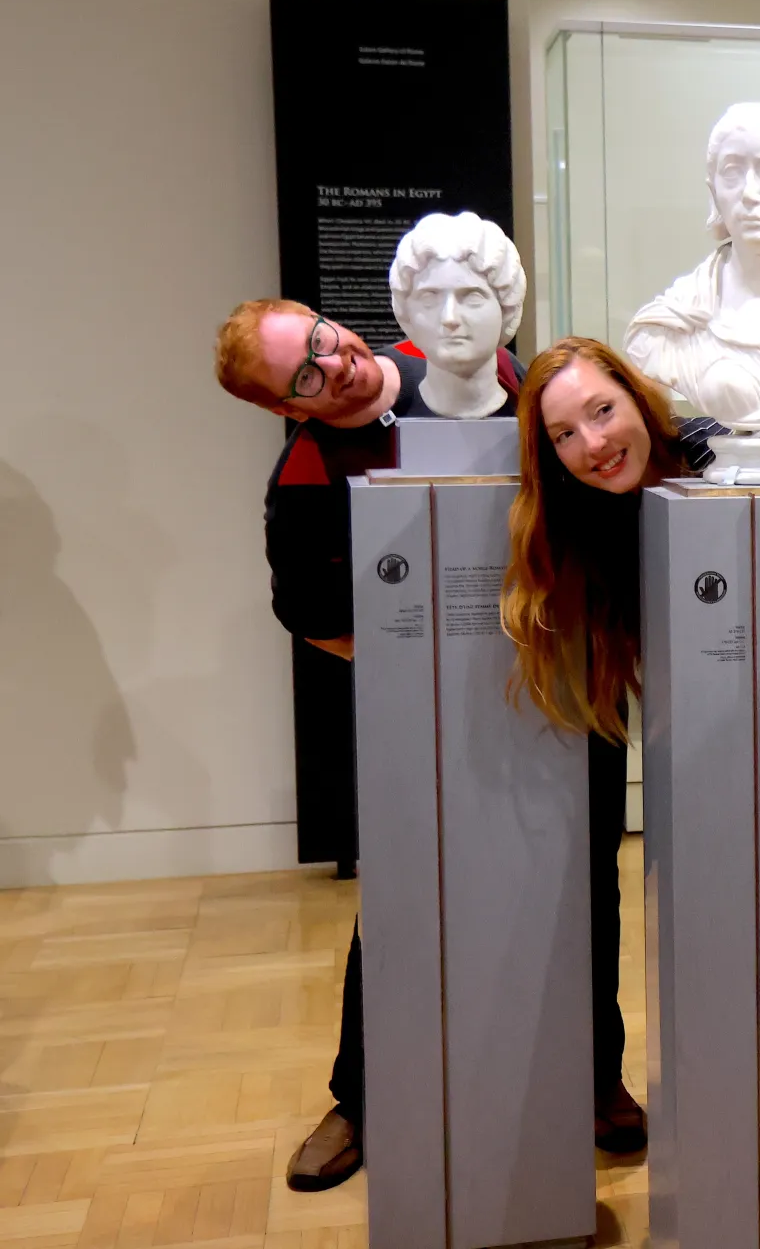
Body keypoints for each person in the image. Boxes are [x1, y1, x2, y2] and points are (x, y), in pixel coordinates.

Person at [213, 298, 521, 1192]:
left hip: (543, 687)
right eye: (303, 374)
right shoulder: (306, 471)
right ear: (289, 407)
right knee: (400, 894)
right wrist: (409, 667)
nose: (332, 363)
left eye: (321, 339)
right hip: (417, 712)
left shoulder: (476, 365)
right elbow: (306, 614)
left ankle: (591, 1077)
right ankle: (361, 1096)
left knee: (575, 885)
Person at [500, 337, 723, 1157]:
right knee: (582, 866)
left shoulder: (709, 456)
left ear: (638, 399)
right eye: (564, 434)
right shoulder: (563, 515)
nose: (592, 444)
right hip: (608, 676)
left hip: (720, 700)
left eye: (602, 411)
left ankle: (714, 1067)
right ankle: (595, 1075)